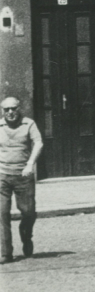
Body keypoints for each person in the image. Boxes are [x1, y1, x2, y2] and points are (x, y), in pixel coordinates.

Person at [0, 96, 43, 264]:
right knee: (2, 214)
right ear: (2, 111)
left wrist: (30, 164)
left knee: (28, 212)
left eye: (14, 108)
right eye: (7, 109)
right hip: (2, 176)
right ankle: (6, 253)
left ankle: (26, 235)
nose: (10, 112)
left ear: (19, 109)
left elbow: (38, 143)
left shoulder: (28, 124)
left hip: (24, 176)